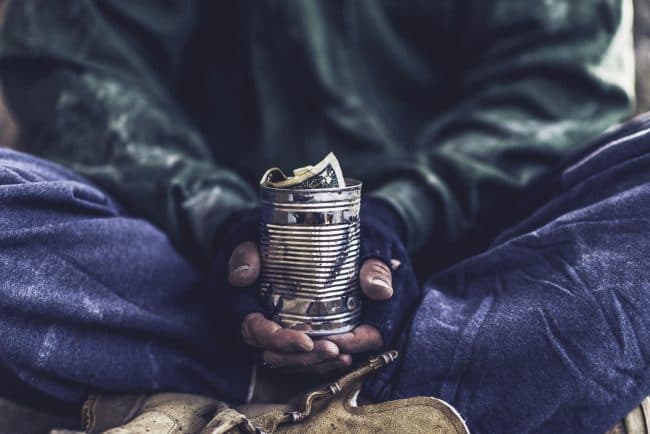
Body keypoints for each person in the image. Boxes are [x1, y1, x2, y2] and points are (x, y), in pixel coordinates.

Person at [0, 0, 646, 432]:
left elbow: (556, 90)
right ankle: (425, 404)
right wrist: (219, 219)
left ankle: (204, 396)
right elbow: (79, 77)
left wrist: (404, 215)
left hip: (476, 272)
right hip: (176, 274)